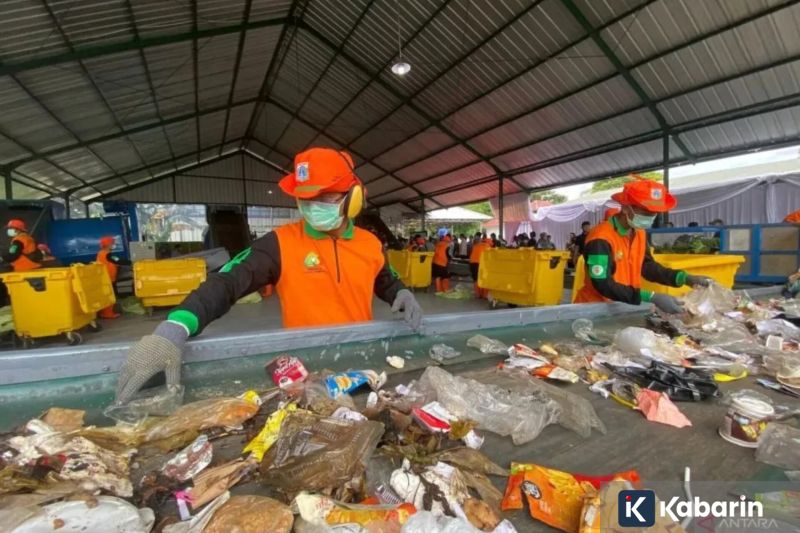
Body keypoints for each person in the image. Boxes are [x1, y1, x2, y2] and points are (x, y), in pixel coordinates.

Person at [115, 147, 424, 403]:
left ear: (354, 197)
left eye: (326, 197)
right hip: (307, 371)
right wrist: (175, 326)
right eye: (306, 199)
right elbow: (227, 282)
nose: (313, 207)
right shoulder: (280, 244)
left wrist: (401, 292)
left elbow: (385, 277)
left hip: (360, 360)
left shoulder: (370, 243)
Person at [574, 178, 713, 313]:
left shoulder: (639, 233)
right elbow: (602, 283)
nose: (650, 217)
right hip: (594, 309)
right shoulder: (600, 238)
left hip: (623, 306)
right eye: (645, 212)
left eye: (654, 213)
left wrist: (683, 278)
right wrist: (651, 297)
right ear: (625, 208)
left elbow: (646, 266)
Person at [96, 236, 131, 319]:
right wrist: (131, 262)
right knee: (110, 296)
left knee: (108, 295)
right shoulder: (106, 254)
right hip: (107, 279)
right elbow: (118, 260)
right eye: (112, 243)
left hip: (107, 278)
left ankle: (105, 312)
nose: (113, 245)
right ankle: (107, 313)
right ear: (108, 244)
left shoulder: (103, 253)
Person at [469, 235, 492, 299]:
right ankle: (484, 295)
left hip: (472, 264)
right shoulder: (487, 246)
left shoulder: (476, 245)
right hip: (480, 264)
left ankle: (477, 295)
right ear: (489, 243)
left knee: (476, 279)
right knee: (484, 279)